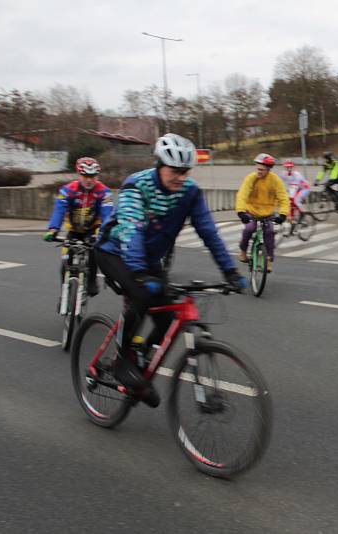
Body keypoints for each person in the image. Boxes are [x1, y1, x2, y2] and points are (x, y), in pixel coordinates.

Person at [95, 133, 245, 407]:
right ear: (159, 165)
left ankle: (140, 361)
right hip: (115, 251)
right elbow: (131, 230)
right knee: (141, 295)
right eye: (175, 171)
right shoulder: (137, 186)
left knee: (165, 318)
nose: (181, 177)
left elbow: (209, 233)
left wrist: (230, 272)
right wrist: (140, 273)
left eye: (185, 172)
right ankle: (122, 361)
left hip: (149, 259)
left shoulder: (189, 193)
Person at [44, 157, 112, 297]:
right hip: (73, 231)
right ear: (79, 175)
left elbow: (107, 214)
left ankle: (92, 281)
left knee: (94, 253)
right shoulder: (68, 190)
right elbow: (59, 210)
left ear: (97, 176)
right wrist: (53, 229)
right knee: (66, 262)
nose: (89, 180)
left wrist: (106, 234)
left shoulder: (104, 192)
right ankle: (65, 293)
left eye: (92, 176)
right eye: (85, 176)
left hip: (92, 230)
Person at [235, 153, 291, 273]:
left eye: (262, 170)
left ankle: (269, 261)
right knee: (249, 229)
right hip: (252, 211)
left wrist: (283, 214)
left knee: (270, 232)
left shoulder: (275, 180)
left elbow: (283, 197)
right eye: (257, 169)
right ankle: (243, 251)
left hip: (268, 214)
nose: (259, 172)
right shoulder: (251, 178)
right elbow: (242, 194)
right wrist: (241, 212)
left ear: (268, 169)